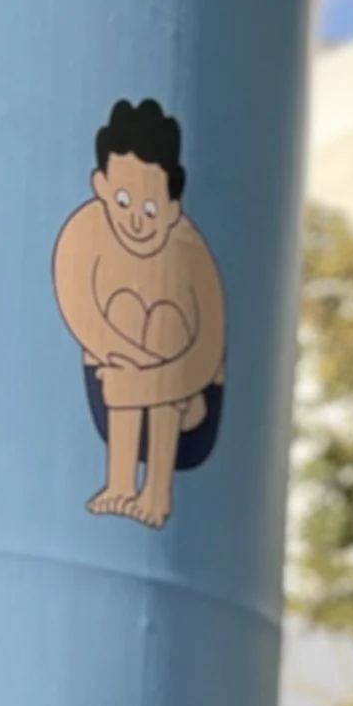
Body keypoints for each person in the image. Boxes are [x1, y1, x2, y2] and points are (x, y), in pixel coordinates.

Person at [50, 97, 228, 529]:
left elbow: (208, 346)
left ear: (169, 210)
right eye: (124, 201)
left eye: (149, 210)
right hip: (111, 386)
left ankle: (156, 491)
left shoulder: (192, 252)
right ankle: (120, 482)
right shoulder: (84, 232)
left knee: (165, 319)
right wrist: (124, 360)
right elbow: (78, 308)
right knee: (128, 311)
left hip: (191, 404)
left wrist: (147, 375)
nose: (135, 220)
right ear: (102, 185)